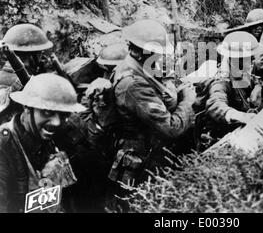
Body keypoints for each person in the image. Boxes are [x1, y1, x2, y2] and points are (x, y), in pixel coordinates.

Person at [107, 19, 196, 204]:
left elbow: (159, 93)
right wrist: (187, 101)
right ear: (140, 52)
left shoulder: (136, 68)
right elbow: (171, 128)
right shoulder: (133, 84)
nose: (159, 58)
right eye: (155, 53)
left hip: (147, 153)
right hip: (143, 161)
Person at [0, 73, 86, 213]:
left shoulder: (53, 137)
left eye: (63, 114)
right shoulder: (4, 147)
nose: (56, 122)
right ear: (27, 107)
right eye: (47, 112)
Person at [203, 31, 263, 148]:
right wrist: (242, 117)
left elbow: (253, 83)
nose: (252, 62)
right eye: (249, 58)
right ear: (237, 59)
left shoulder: (242, 71)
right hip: (222, 139)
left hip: (245, 132)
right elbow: (215, 105)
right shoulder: (221, 81)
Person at [0, 24, 53, 124]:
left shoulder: (3, 75)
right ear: (32, 57)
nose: (43, 59)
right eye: (40, 54)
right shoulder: (18, 84)